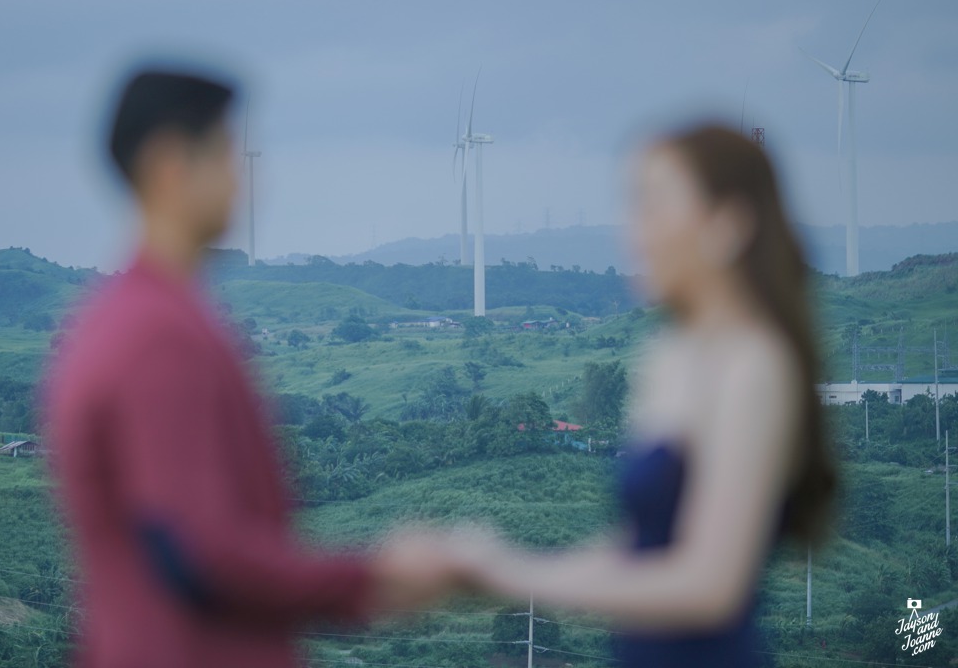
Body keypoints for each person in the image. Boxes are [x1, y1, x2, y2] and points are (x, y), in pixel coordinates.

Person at [41, 64, 458, 668]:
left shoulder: (116, 318)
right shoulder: (158, 331)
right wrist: (376, 575)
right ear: (170, 165)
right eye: (228, 156)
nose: (245, 183)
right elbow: (205, 549)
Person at [445, 122, 840, 667]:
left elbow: (710, 586)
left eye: (654, 207)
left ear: (728, 223)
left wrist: (514, 574)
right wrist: (502, 568)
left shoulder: (755, 365)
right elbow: (634, 551)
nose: (636, 233)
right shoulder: (668, 356)